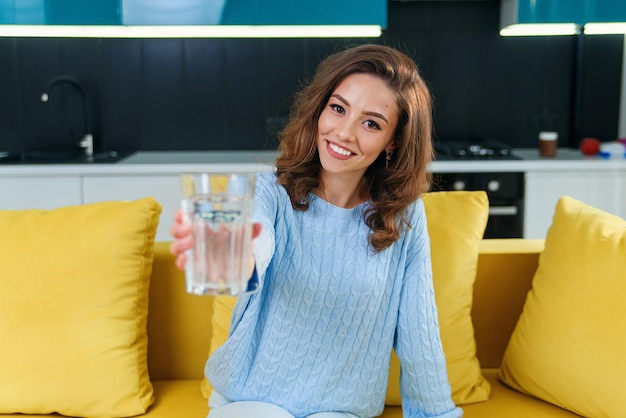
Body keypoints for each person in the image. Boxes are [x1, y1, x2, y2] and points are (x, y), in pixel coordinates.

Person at [169, 43, 463, 418]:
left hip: (342, 409)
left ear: (393, 141)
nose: (344, 132)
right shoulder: (269, 192)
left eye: (370, 123)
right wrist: (229, 251)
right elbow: (252, 250)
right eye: (338, 108)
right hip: (253, 400)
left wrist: (436, 414)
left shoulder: (405, 216)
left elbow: (418, 332)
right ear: (320, 109)